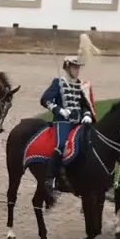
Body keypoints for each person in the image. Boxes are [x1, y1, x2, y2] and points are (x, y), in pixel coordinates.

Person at [39, 55, 96, 193]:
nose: (77, 70)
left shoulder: (82, 85)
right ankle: (50, 178)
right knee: (61, 144)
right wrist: (59, 110)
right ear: (67, 67)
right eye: (74, 67)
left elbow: (85, 105)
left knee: (90, 144)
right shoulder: (58, 82)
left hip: (79, 122)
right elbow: (45, 99)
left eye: (78, 67)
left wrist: (87, 115)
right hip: (63, 121)